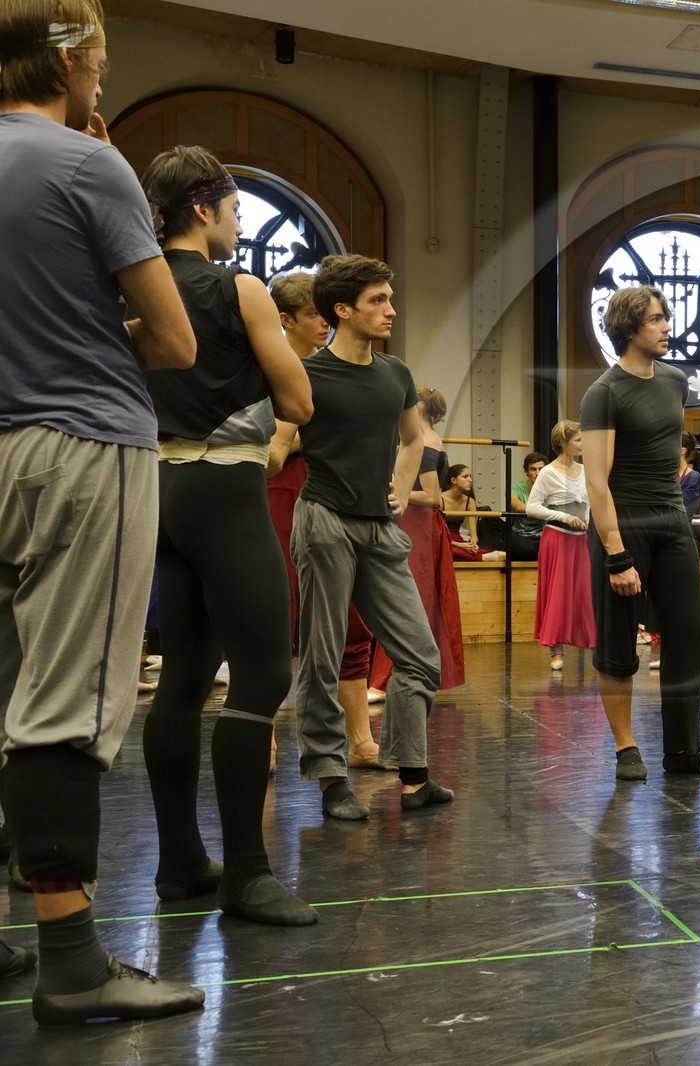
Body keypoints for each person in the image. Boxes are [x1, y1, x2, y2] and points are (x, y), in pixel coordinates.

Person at [0, 1, 205, 1022]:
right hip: (82, 443)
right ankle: (74, 958)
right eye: (103, 63)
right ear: (74, 59)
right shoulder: (89, 165)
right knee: (65, 702)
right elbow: (171, 341)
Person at [138, 144, 316, 926]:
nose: (239, 225)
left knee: (181, 676)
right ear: (203, 210)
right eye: (236, 210)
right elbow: (300, 401)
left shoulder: (132, 289)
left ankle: (180, 863)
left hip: (159, 488)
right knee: (263, 675)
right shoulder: (234, 286)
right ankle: (247, 872)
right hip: (226, 485)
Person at [293, 254, 453, 819]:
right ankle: (330, 777)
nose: (391, 308)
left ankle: (413, 777)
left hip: (378, 526)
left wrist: (400, 490)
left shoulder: (395, 374)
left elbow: (414, 440)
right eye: (377, 301)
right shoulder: (309, 374)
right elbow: (280, 442)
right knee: (322, 652)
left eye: (390, 297)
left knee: (419, 656)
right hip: (325, 521)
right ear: (342, 310)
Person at [581, 286, 700, 781]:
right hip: (623, 522)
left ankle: (683, 749)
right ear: (630, 327)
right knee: (617, 644)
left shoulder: (674, 380)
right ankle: (625, 746)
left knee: (691, 636)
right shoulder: (604, 393)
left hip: (672, 519)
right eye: (656, 319)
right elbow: (596, 482)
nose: (666, 326)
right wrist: (616, 554)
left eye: (666, 318)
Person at [266, 272, 385, 767]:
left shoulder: (339, 369)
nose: (323, 321)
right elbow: (273, 442)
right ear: (286, 319)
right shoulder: (268, 369)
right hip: (279, 493)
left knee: (351, 618)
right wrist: (305, 434)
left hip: (334, 493)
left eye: (326, 311)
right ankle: (266, 738)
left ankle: (359, 738)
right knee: (279, 610)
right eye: (312, 312)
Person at [369, 386, 467, 695]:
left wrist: (389, 491)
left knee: (403, 599)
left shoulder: (426, 443)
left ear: (420, 409)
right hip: (413, 524)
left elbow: (432, 496)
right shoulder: (422, 440)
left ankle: (386, 679)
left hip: (418, 527)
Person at [526, 420, 595, 671]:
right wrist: (564, 517)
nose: (582, 444)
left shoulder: (587, 469)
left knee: (585, 592)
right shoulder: (548, 472)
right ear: (563, 443)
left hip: (582, 540)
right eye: (578, 440)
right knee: (558, 593)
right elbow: (531, 507)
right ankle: (556, 650)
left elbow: (589, 502)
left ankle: (592, 642)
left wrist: (587, 519)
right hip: (558, 539)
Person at [441, 463, 505, 562]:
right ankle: (482, 558)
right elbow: (436, 533)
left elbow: (473, 535)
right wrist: (461, 545)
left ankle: (469, 554)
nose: (470, 480)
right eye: (465, 476)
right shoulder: (439, 500)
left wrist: (472, 544)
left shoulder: (470, 502)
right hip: (444, 541)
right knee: (445, 549)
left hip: (459, 541)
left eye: (470, 476)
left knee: (494, 543)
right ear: (454, 480)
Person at [507, 451, 548, 561]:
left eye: (541, 469)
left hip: (544, 537)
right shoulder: (516, 488)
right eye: (533, 469)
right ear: (526, 471)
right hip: (521, 537)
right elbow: (517, 506)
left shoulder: (552, 489)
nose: (538, 473)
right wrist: (544, 512)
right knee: (518, 545)